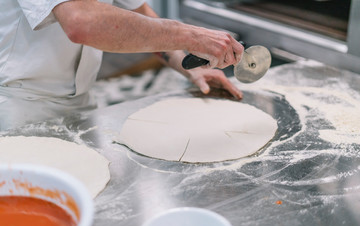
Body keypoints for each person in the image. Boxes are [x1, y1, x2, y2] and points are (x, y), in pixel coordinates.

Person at [0, 0, 244, 130]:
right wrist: (192, 36)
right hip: (19, 105)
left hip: (82, 101)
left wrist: (190, 67)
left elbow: (139, 12)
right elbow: (80, 22)